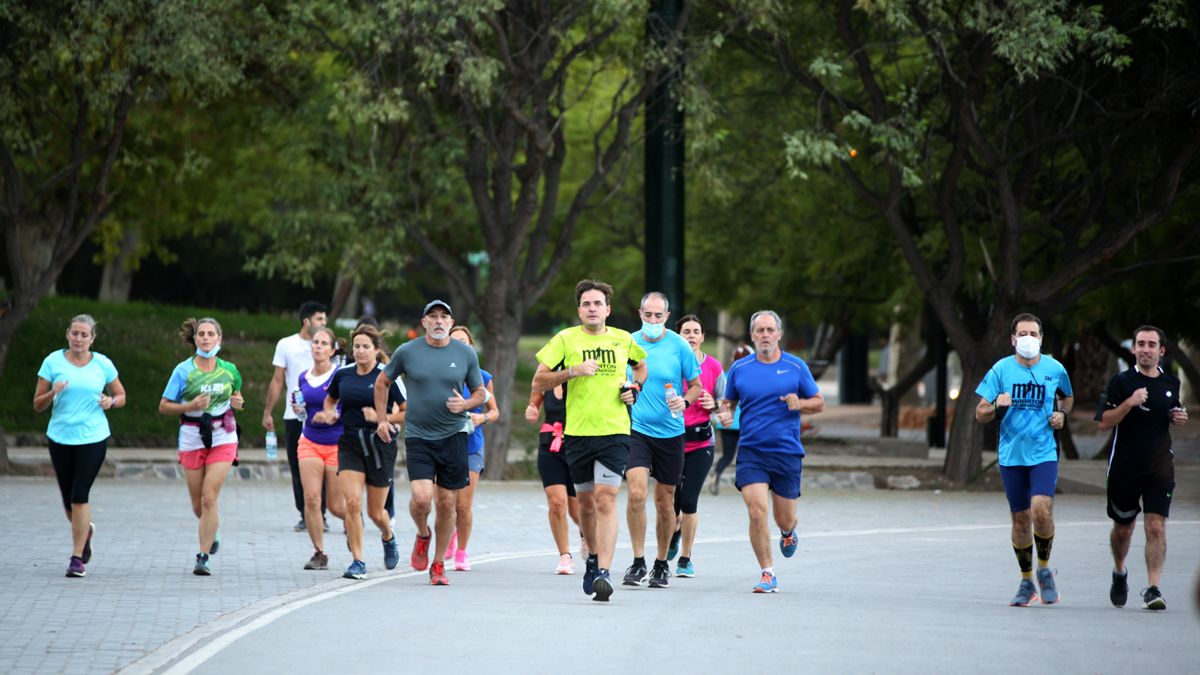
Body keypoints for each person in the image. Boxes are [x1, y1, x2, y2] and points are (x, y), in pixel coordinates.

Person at [532, 279, 648, 602]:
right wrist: (571, 372)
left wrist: (634, 389)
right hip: (578, 434)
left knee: (605, 498)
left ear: (608, 309)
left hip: (614, 431)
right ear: (579, 309)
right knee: (584, 504)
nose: (592, 308)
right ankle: (593, 558)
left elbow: (641, 368)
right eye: (586, 304)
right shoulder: (565, 340)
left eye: (598, 303)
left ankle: (605, 573)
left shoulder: (623, 340)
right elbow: (539, 379)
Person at [375, 300, 486, 586]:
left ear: (451, 323)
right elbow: (381, 383)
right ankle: (423, 533)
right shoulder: (407, 352)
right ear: (423, 322)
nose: (438, 321)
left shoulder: (465, 353)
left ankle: (438, 564)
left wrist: (467, 404)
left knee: (447, 503)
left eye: (444, 317)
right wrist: (381, 420)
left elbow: (480, 392)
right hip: (418, 435)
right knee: (422, 498)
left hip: (454, 437)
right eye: (433, 316)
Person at [717, 310, 823, 593]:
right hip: (752, 451)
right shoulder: (741, 369)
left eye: (769, 330)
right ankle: (767, 573)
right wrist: (725, 415)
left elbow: (819, 402)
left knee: (784, 517)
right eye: (759, 331)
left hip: (787, 452)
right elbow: (728, 402)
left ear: (779, 334)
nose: (765, 335)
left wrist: (799, 404)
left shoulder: (795, 367)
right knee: (755, 511)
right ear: (752, 335)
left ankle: (788, 533)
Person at [974, 312, 1073, 607]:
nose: (1028, 339)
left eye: (1034, 334)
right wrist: (994, 404)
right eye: (1023, 334)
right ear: (1013, 339)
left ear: (1041, 338)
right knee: (1020, 520)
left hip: (1043, 453)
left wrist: (1062, 415)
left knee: (1040, 510)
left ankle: (1044, 570)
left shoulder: (1055, 368)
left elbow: (1067, 396)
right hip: (1011, 455)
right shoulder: (1000, 370)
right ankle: (1026, 579)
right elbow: (979, 413)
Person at [1098, 325, 1188, 610]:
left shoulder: (1171, 383)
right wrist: (1130, 402)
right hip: (1125, 468)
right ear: (1134, 348)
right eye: (1140, 344)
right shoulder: (1121, 382)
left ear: (1161, 351)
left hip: (1160, 468)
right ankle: (1120, 571)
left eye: (1151, 344)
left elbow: (1173, 408)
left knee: (1156, 526)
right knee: (1123, 529)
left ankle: (1152, 588)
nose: (1145, 349)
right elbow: (1104, 422)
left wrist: (1179, 414)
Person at [33, 314, 127, 577]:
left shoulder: (102, 364)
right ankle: (86, 531)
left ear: (92, 338)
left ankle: (77, 559)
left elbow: (121, 396)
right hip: (60, 437)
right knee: (68, 502)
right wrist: (53, 392)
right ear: (67, 334)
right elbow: (37, 404)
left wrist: (111, 402)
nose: (79, 339)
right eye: (75, 333)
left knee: (79, 495)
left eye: (84, 335)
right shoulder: (52, 362)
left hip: (93, 437)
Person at [622, 293, 701, 589]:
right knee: (637, 493)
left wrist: (685, 401)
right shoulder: (628, 342)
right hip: (636, 429)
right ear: (639, 313)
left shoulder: (679, 346)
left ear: (667, 317)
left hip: (671, 432)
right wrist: (624, 393)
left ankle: (660, 563)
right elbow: (618, 380)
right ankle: (638, 560)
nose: (652, 321)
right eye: (647, 315)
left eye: (658, 316)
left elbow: (695, 386)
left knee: (665, 501)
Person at [317, 324, 406, 580]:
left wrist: (383, 416)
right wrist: (330, 412)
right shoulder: (343, 374)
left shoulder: (387, 376)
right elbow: (331, 399)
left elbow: (406, 410)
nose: (360, 351)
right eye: (357, 346)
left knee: (375, 512)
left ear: (377, 350)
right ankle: (358, 560)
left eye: (366, 347)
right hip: (350, 442)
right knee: (352, 503)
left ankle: (388, 536)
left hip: (380, 444)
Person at [158, 317, 245, 576]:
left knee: (210, 498)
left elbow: (237, 396)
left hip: (223, 434)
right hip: (192, 435)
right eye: (201, 334)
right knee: (198, 505)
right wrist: (190, 406)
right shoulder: (183, 371)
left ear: (219, 338)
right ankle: (212, 529)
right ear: (195, 339)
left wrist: (238, 402)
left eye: (211, 334)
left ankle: (202, 557)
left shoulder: (229, 369)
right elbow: (164, 406)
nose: (206, 338)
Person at [262, 301, 329, 532]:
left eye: (325, 320)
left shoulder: (327, 346)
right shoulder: (286, 345)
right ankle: (305, 513)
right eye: (320, 319)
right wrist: (268, 411)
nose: (324, 324)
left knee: (325, 466)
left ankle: (322, 513)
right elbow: (278, 380)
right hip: (294, 416)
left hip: (322, 418)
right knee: (297, 466)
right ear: (307, 321)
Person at [670, 314, 724, 578]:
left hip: (701, 442)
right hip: (671, 441)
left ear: (703, 337)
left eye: (696, 331)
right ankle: (673, 532)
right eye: (686, 331)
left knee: (689, 501)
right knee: (671, 504)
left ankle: (685, 558)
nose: (691, 336)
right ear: (678, 336)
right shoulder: (669, 364)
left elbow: (725, 406)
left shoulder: (713, 367)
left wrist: (713, 406)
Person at [443, 325, 500, 571]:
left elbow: (495, 411)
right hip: (443, 443)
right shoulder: (438, 375)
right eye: (454, 341)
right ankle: (448, 536)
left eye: (464, 342)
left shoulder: (483, 377)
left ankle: (462, 551)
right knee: (446, 502)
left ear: (471, 347)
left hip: (471, 444)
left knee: (463, 505)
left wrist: (482, 419)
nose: (459, 346)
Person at [295, 327, 348, 570]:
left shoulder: (341, 375)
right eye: (315, 342)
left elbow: (349, 407)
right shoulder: (303, 377)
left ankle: (353, 522)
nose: (317, 346)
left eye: (323, 343)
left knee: (336, 506)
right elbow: (303, 406)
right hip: (309, 441)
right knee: (312, 498)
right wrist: (300, 411)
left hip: (337, 444)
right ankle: (319, 552)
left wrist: (333, 415)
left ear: (332, 349)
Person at [526, 383, 585, 574]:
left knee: (578, 511)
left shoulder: (582, 377)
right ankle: (565, 556)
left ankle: (587, 534)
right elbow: (534, 402)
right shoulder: (546, 378)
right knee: (557, 502)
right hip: (550, 446)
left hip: (579, 447)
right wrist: (532, 409)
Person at [710, 344, 752, 496]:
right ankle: (746, 483)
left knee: (727, 455)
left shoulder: (727, 374)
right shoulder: (753, 376)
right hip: (746, 423)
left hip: (726, 422)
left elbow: (719, 398)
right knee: (746, 454)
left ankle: (716, 475)